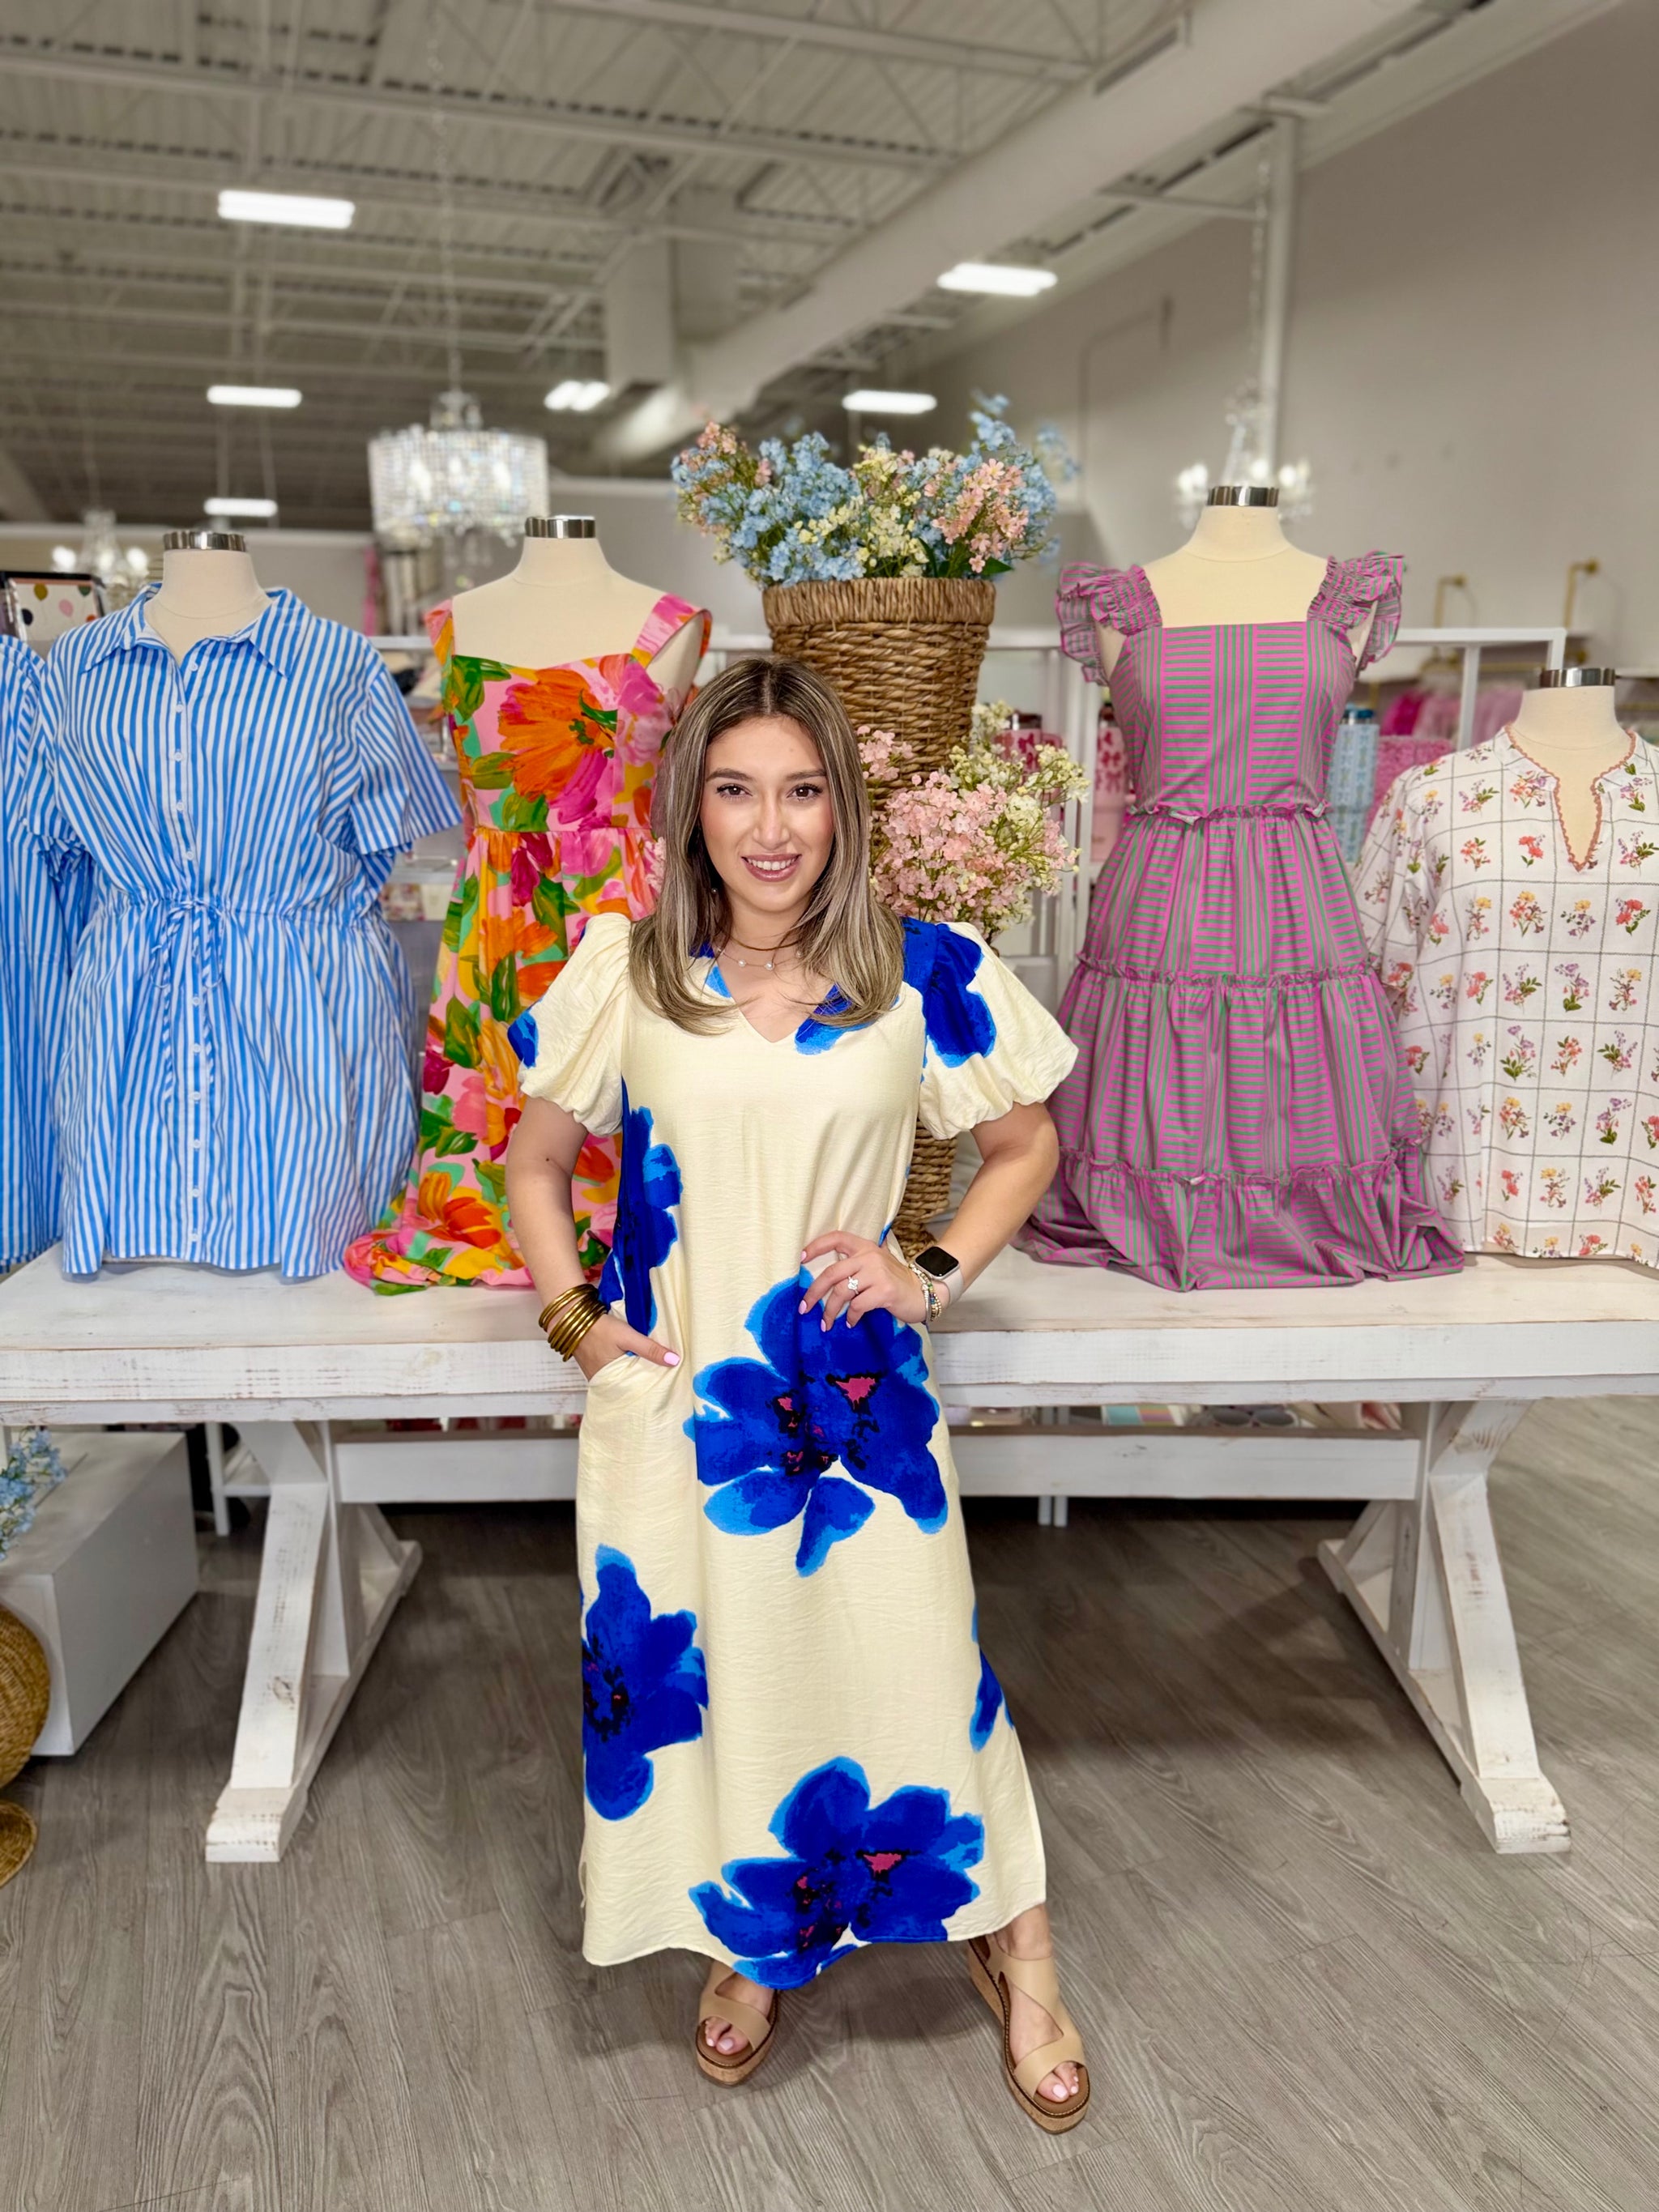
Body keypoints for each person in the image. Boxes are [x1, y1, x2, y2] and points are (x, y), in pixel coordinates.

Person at [505, 654, 1090, 2129]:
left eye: (804, 791)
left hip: (863, 1419)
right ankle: (752, 1943)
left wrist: (928, 1274)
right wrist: (578, 1321)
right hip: (676, 1409)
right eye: (736, 790)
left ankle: (1020, 1946)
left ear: (844, 809)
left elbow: (1026, 1144)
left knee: (929, 1670)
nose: (771, 829)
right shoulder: (629, 973)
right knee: (728, 1678)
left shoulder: (924, 973)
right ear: (692, 807)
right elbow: (534, 1163)